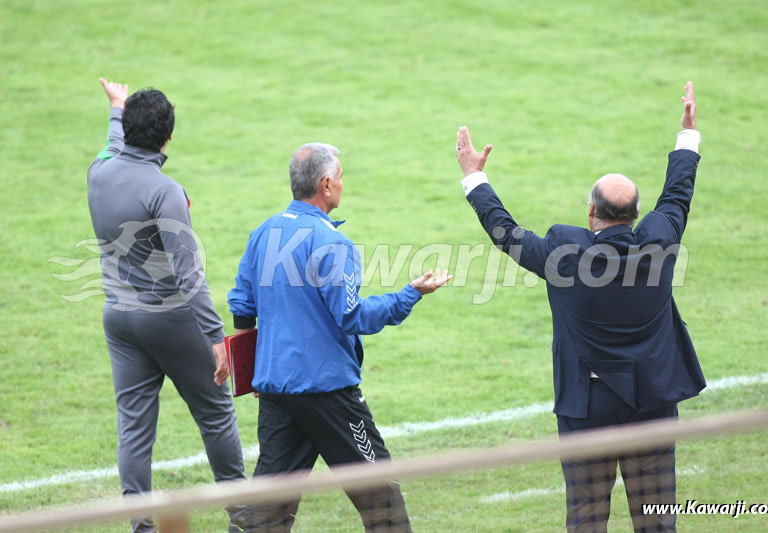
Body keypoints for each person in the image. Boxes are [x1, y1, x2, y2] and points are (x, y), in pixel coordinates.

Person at [456, 82, 706, 532]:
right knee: (657, 520)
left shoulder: (565, 256)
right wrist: (687, 137)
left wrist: (475, 176)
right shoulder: (660, 244)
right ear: (635, 215)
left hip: (587, 404)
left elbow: (505, 232)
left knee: (586, 519)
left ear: (591, 212)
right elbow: (677, 197)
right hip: (651, 398)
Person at [228, 142, 451, 532]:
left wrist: (253, 370)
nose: (344, 185)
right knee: (382, 501)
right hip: (328, 391)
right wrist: (409, 294)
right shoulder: (333, 244)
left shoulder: (263, 233)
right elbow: (352, 316)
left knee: (266, 512)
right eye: (342, 177)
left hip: (277, 390)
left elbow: (242, 310)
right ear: (326, 185)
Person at [87, 78, 248, 533]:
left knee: (134, 429)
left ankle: (141, 527)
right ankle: (243, 520)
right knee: (216, 414)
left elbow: (112, 145)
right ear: (168, 137)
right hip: (171, 320)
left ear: (128, 128)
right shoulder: (165, 191)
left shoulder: (98, 171)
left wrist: (117, 108)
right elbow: (189, 274)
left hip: (118, 318)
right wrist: (216, 337)